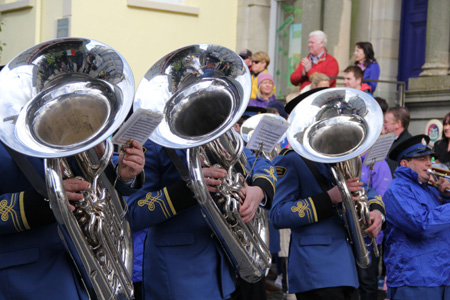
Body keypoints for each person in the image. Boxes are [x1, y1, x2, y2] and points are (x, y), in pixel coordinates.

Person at [125, 129, 277, 299]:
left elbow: (257, 161)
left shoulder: (220, 134)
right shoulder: (154, 142)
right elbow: (133, 212)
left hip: (222, 268)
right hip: (179, 273)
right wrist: (190, 188)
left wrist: (259, 189)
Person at [270, 88, 385, 300]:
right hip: (314, 266)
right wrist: (329, 198)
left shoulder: (337, 157)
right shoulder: (290, 160)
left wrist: (377, 211)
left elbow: (364, 189)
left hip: (347, 265)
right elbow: (278, 214)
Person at [0, 139, 145, 300]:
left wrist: (120, 172)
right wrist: (42, 202)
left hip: (85, 262)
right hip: (27, 275)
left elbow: (83, 168)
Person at [383, 134, 450, 299]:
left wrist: (447, 196)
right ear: (404, 163)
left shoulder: (431, 189)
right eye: (422, 158)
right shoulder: (397, 190)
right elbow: (421, 225)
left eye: (430, 157)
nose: (429, 163)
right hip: (413, 280)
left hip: (441, 277)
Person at [355, 152, 392, 300]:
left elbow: (382, 198)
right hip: (345, 235)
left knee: (367, 283)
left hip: (367, 235)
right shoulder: (345, 159)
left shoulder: (380, 163)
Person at [384, 106, 412, 175]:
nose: (383, 124)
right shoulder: (388, 140)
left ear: (398, 124)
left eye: (386, 122)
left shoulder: (408, 143)